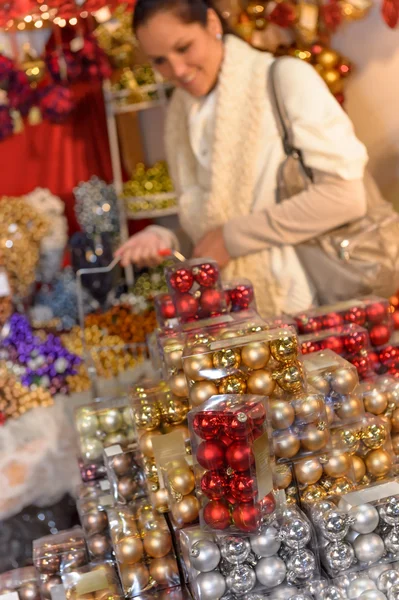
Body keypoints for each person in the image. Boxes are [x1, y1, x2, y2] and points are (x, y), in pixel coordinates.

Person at [115, 0, 368, 317]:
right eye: (160, 60)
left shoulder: (283, 79)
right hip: (235, 318)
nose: (176, 70)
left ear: (212, 24)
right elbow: (212, 229)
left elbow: (345, 197)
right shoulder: (180, 115)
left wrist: (231, 238)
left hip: (311, 309)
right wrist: (165, 237)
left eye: (184, 47)